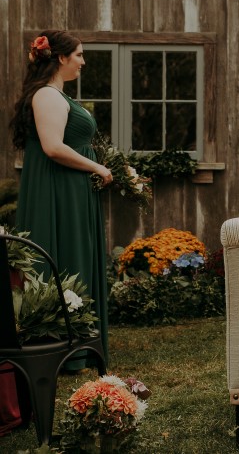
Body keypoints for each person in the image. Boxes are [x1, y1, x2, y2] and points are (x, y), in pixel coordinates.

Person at [10, 32, 112, 365]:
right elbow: (53, 147)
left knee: (74, 252)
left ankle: (78, 343)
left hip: (70, 187)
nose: (83, 62)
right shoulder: (48, 96)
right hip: (59, 190)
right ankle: (62, 348)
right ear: (61, 58)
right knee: (62, 251)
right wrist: (97, 166)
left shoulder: (56, 95)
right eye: (79, 55)